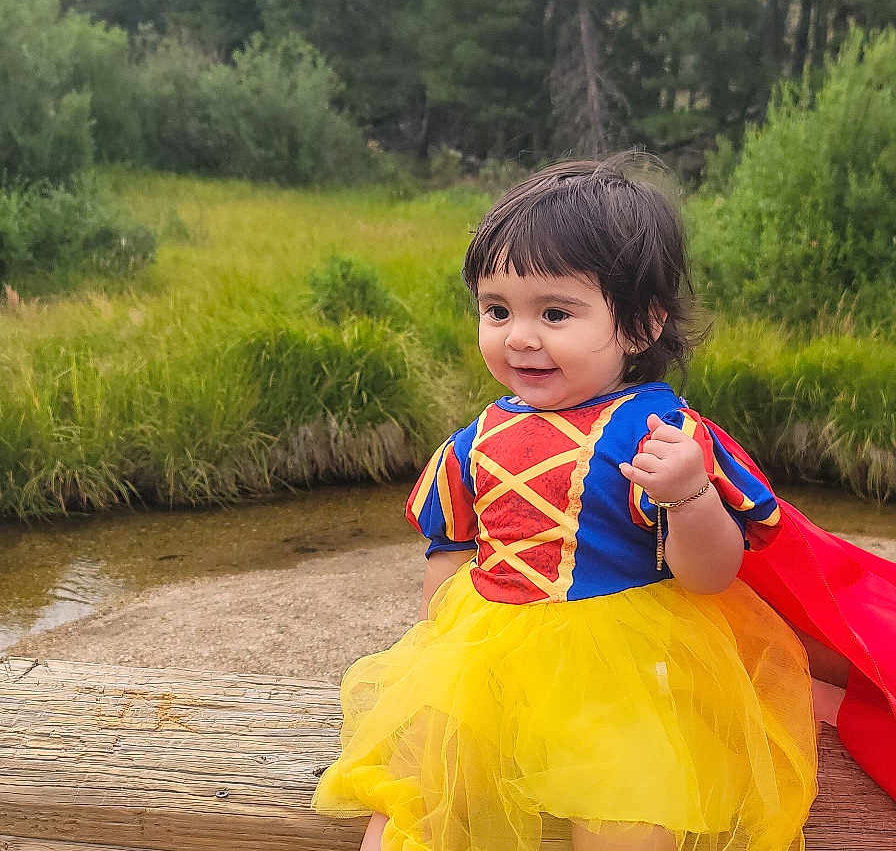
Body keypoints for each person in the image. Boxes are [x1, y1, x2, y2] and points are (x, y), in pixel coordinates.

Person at [312, 155, 895, 850]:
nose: (519, 336)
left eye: (555, 313)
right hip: (488, 662)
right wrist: (434, 658)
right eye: (497, 310)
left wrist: (690, 496)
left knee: (628, 815)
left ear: (641, 327)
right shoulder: (474, 441)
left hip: (623, 671)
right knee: (414, 799)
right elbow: (451, 552)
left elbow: (709, 576)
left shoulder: (657, 436)